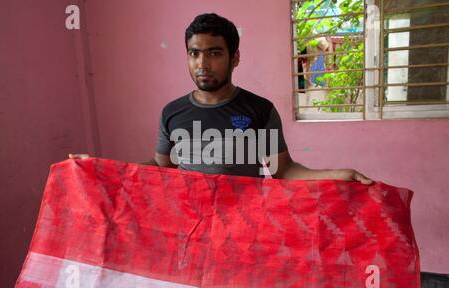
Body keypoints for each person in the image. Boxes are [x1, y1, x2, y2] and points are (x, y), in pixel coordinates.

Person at [70, 13, 372, 185]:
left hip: (246, 227)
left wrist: (336, 175)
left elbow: (283, 171)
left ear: (234, 57)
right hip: (189, 226)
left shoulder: (258, 109)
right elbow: (162, 167)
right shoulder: (172, 112)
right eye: (194, 53)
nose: (202, 64)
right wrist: (103, 168)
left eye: (214, 53)